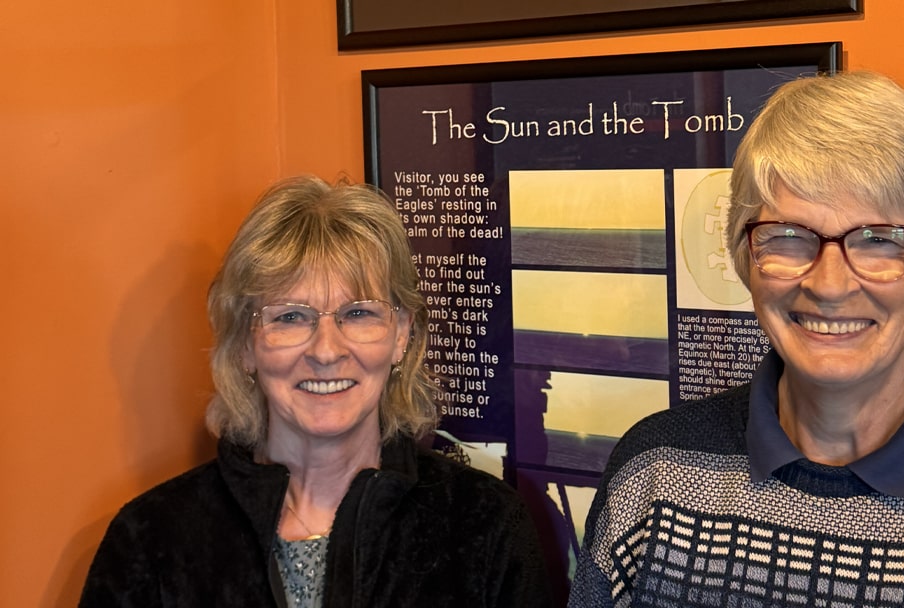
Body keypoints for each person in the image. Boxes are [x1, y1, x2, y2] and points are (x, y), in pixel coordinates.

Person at [570, 71, 904, 607]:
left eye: (880, 240)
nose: (829, 285)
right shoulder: (652, 474)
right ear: (747, 258)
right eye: (789, 238)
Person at [80, 176, 552, 607]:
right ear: (246, 344)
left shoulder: (485, 526)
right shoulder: (151, 541)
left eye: (359, 313)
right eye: (290, 317)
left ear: (401, 334)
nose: (327, 351)